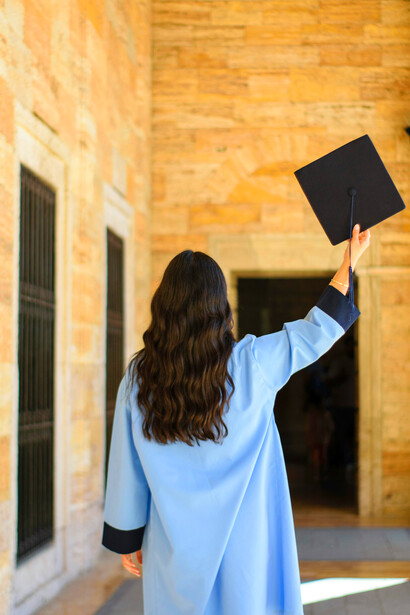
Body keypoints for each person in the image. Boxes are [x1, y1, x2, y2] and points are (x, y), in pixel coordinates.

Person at [102, 224, 371, 615]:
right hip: (248, 549)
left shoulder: (138, 378)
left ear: (163, 305)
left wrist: (128, 538)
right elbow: (316, 331)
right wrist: (349, 261)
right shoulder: (253, 364)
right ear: (220, 306)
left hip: (173, 552)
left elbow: (126, 469)